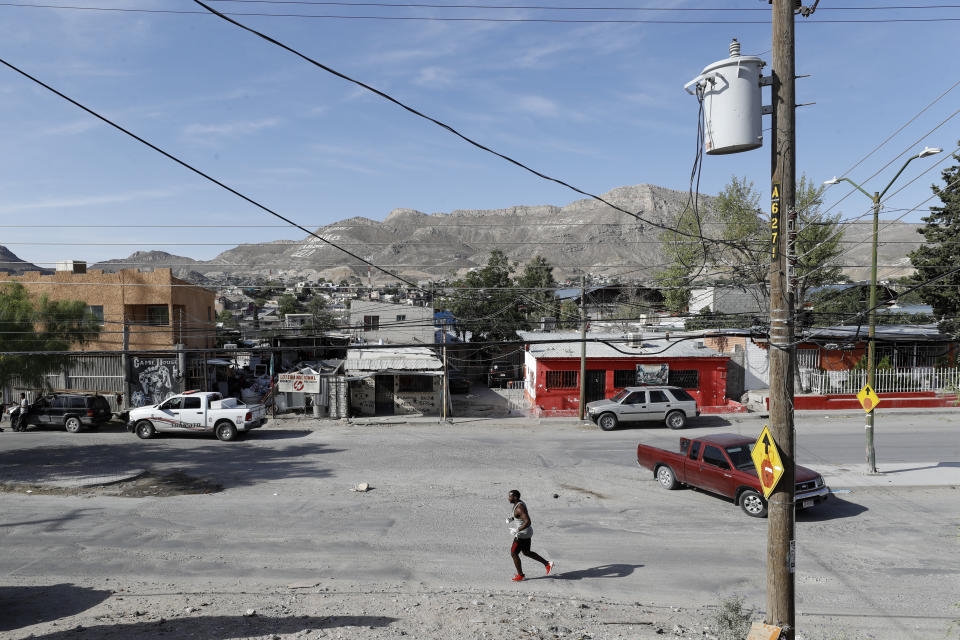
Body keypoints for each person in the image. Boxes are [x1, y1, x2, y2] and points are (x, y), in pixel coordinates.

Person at [507, 489, 553, 582]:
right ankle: (547, 564)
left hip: (522, 534)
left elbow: (528, 521)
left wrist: (517, 530)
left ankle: (521, 575)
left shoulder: (519, 507)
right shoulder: (519, 503)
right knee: (526, 552)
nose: (508, 498)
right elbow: (518, 515)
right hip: (527, 532)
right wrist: (511, 519)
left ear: (515, 497)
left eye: (510, 496)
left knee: (513, 553)